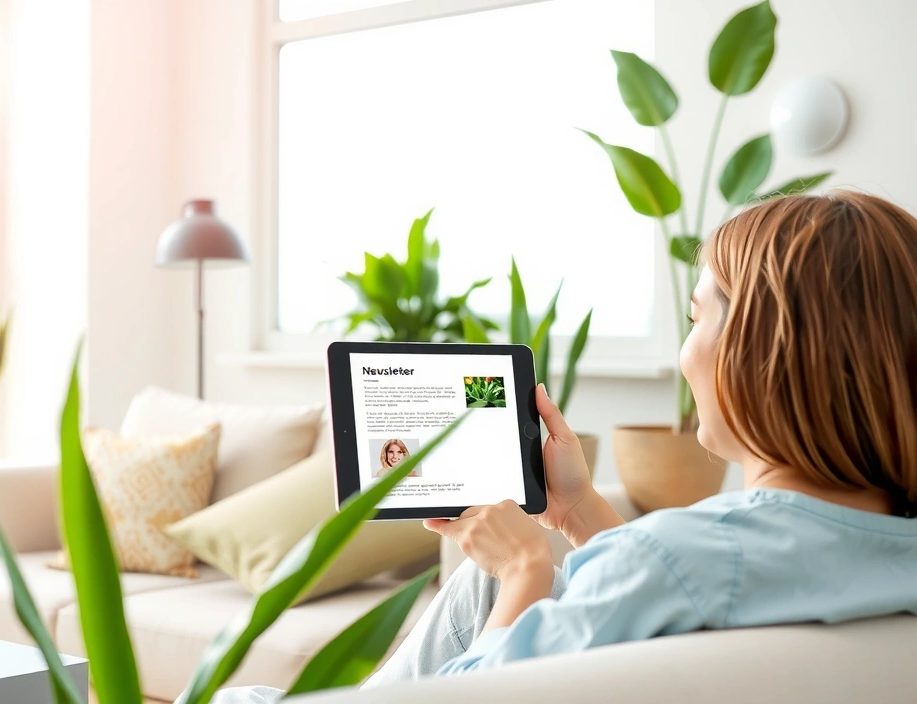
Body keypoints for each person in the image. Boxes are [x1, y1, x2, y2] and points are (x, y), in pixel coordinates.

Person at [208, 191, 917, 703]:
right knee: (478, 581)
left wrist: (523, 568)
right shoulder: (888, 554)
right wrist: (578, 514)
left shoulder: (672, 558)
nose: (684, 353)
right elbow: (698, 596)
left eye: (699, 316)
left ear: (760, 352)